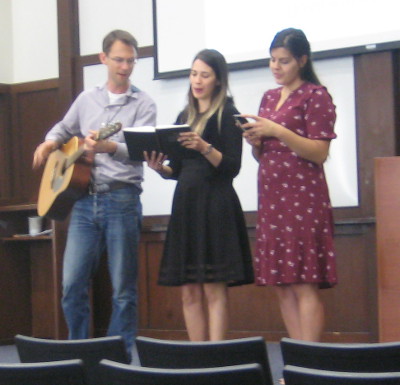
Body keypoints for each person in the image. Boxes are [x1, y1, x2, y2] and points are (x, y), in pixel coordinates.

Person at [32, 29, 157, 358]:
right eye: (119, 59)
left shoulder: (144, 103)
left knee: (123, 292)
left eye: (131, 60)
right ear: (104, 59)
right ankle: (80, 354)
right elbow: (63, 128)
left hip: (122, 199)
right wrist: (49, 142)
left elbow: (141, 150)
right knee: (72, 285)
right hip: (84, 202)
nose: (125, 67)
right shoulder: (87, 99)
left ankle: (119, 357)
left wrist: (108, 146)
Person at [144, 49, 254, 341]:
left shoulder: (229, 114)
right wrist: (160, 169)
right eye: (194, 73)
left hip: (216, 205)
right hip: (187, 206)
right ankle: (198, 357)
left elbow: (232, 167)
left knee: (213, 288)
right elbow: (178, 169)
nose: (197, 80)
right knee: (189, 290)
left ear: (218, 80)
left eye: (205, 75)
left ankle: (216, 358)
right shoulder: (184, 116)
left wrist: (204, 146)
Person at [241, 28, 337, 342]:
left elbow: (319, 152)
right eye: (272, 60)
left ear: (302, 60)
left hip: (303, 198)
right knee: (281, 285)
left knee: (303, 283)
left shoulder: (315, 95)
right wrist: (256, 140)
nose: (276, 67)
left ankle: (310, 362)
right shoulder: (269, 97)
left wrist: (277, 130)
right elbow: (266, 155)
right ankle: (295, 362)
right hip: (272, 198)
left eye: (284, 61)